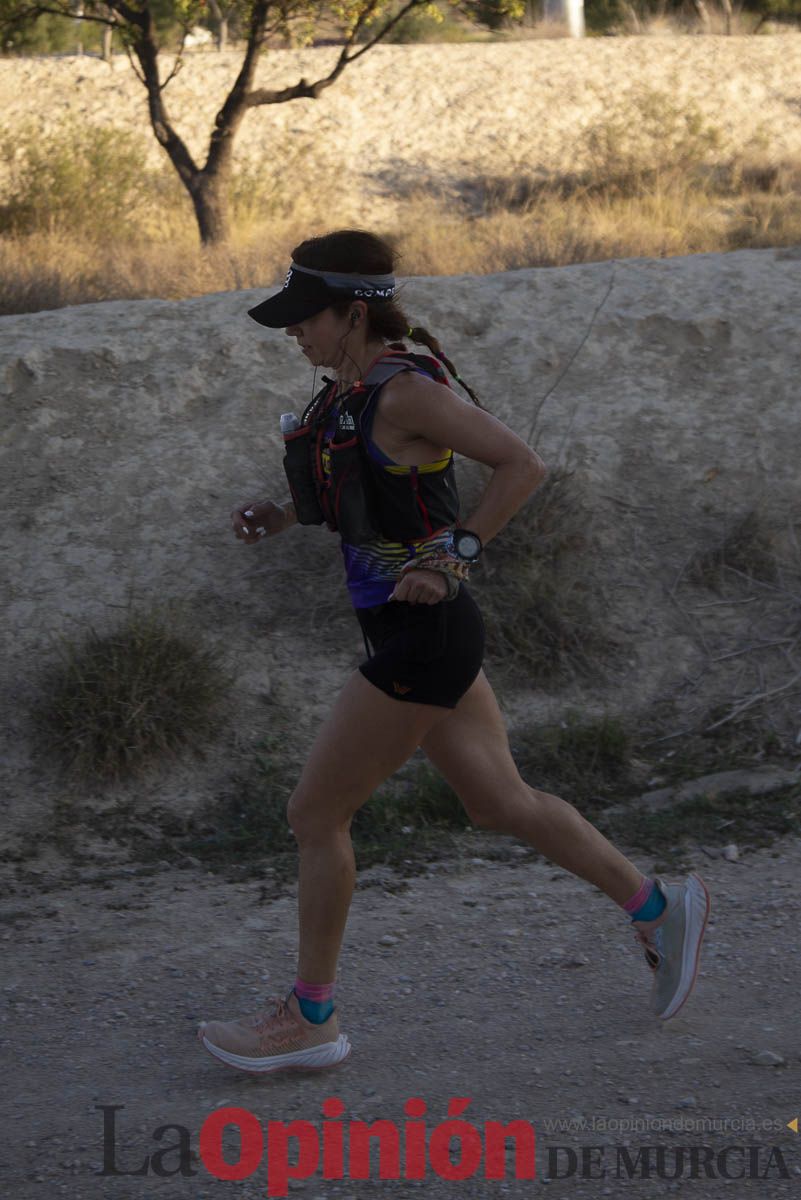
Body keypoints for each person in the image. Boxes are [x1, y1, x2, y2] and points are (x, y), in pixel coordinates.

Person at [197, 229, 710, 1074]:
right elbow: (359, 494)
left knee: (314, 816)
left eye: (305, 318)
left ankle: (311, 1017)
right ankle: (659, 908)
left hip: (422, 635)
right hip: (415, 631)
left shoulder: (403, 393)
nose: (295, 333)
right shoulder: (346, 394)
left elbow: (521, 464)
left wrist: (452, 556)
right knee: (498, 801)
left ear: (352, 312)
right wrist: (281, 513)